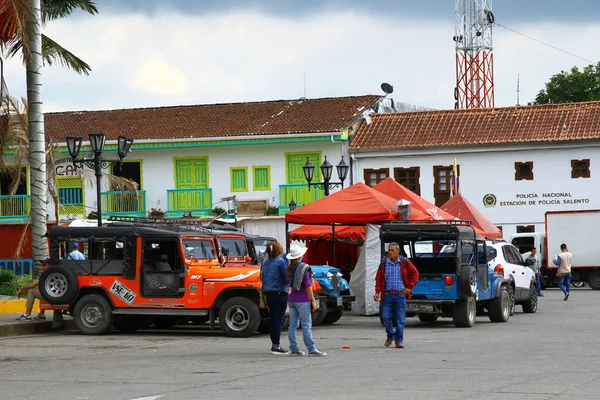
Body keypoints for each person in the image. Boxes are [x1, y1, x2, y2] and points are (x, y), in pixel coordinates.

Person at [374, 242, 419, 348]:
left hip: (400, 295)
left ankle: (398, 340)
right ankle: (390, 335)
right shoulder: (384, 263)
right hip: (388, 295)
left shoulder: (404, 262)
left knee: (400, 319)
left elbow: (415, 273)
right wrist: (377, 292)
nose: (390, 252)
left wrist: (409, 288)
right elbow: (379, 278)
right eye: (389, 250)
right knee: (385, 317)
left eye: (393, 250)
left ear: (398, 251)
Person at [286, 244, 326, 357]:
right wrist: (313, 300)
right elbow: (308, 285)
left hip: (292, 298)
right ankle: (311, 349)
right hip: (302, 299)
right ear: (300, 256)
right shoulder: (304, 268)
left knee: (293, 324)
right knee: (306, 324)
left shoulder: (289, 267)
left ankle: (294, 349)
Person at [260, 241, 289, 355]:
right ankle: (276, 345)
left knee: (273, 318)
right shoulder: (281, 262)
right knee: (278, 319)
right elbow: (285, 278)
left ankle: (274, 343)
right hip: (280, 292)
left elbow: (262, 276)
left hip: (268, 293)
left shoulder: (265, 262)